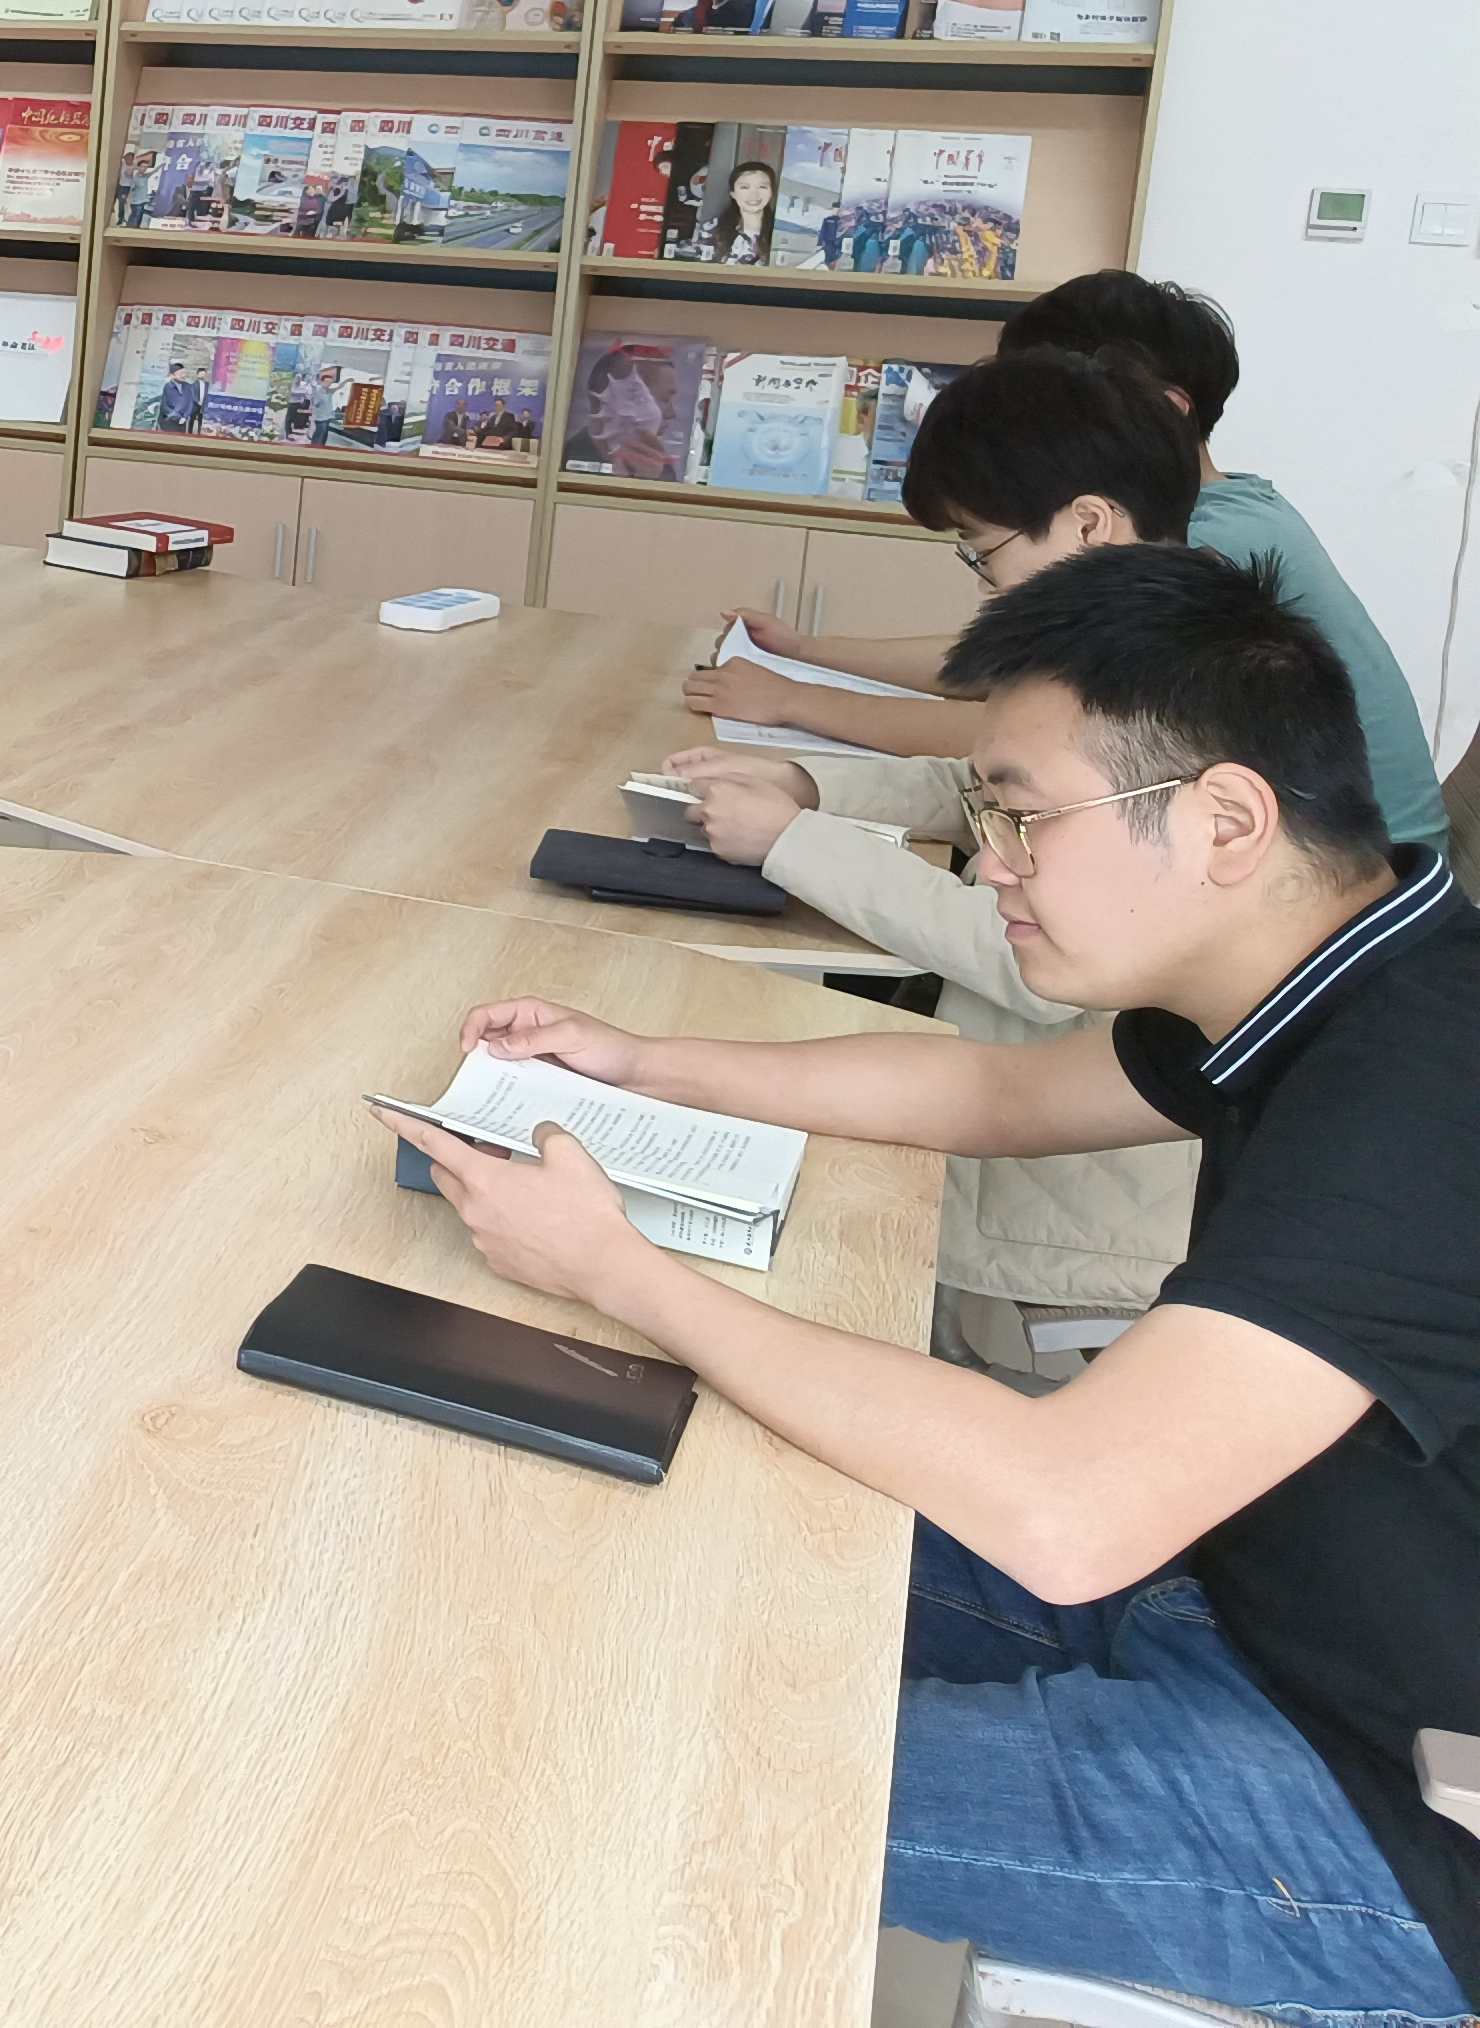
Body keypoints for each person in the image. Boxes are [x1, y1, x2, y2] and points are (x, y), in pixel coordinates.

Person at [386, 544, 1477, 2025]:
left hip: (1394, 1803)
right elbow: (996, 1095)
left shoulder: (1422, 1091)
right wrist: (638, 1062)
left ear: (1225, 820)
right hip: (1255, 1590)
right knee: (693, 1512)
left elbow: (1072, 1510)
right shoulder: (1334, 965)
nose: (993, 864)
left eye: (1022, 817)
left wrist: (616, 1269)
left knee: (631, 1759)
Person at [662, 349, 1203, 1360]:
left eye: (980, 550)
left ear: (1089, 523)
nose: (982, 581)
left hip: (1057, 1243)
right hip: (1018, 1161)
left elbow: (1036, 955)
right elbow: (975, 787)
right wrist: (809, 786)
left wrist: (796, 843)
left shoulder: (1155, 700)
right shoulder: (1126, 648)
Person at [682, 271, 1451, 850]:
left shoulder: (1212, 550)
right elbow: (1006, 666)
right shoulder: (1203, 513)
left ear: (1162, 407)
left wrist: (796, 702)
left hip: (1346, 873)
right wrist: (808, 652)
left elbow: (1025, 743)